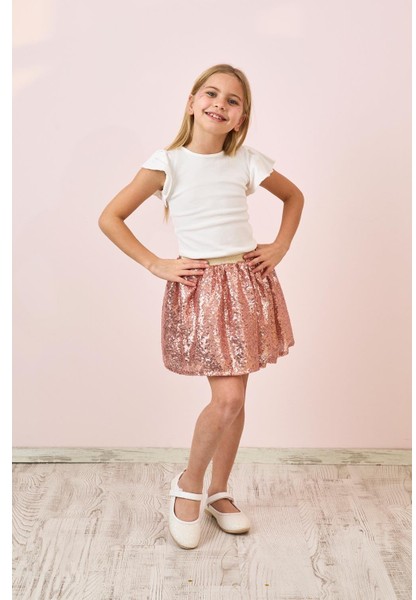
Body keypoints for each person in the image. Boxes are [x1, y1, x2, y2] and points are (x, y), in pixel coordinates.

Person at [98, 63, 304, 549]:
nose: (219, 104)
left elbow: (294, 197)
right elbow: (110, 217)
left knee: (237, 398)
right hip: (204, 288)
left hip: (247, 283)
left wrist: (280, 246)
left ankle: (218, 492)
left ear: (240, 117)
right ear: (192, 102)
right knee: (226, 398)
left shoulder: (246, 160)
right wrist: (154, 263)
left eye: (232, 100)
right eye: (211, 94)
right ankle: (188, 485)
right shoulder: (167, 163)